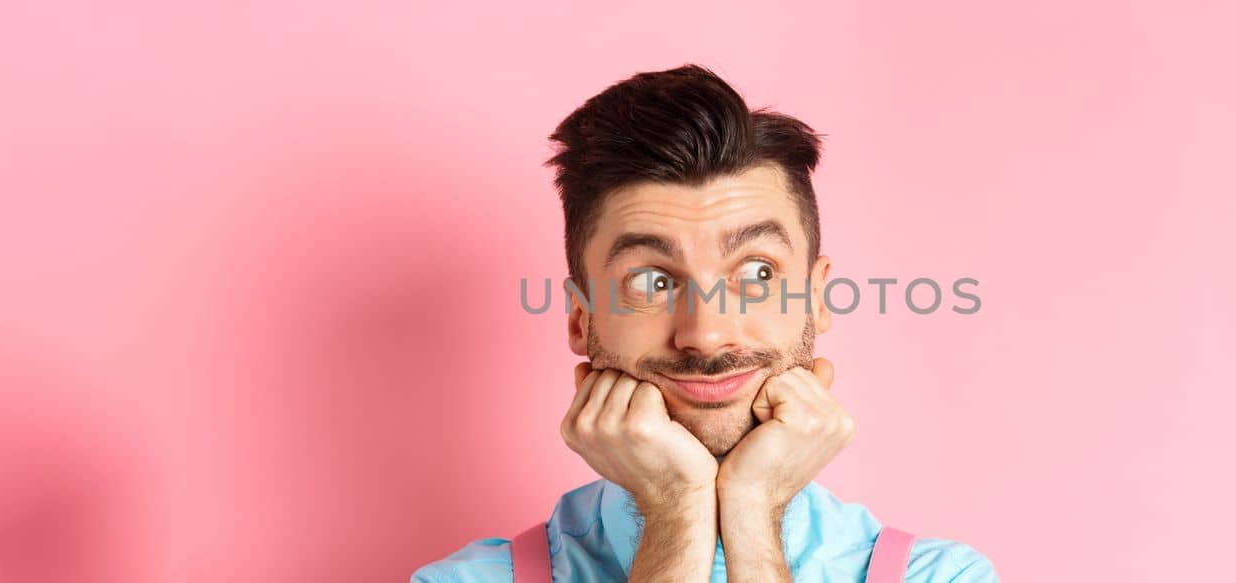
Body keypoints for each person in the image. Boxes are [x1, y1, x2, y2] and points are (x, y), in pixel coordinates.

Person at [412, 64, 997, 582]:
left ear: (817, 299)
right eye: (652, 282)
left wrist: (755, 511)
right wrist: (673, 508)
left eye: (758, 273)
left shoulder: (942, 577)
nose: (707, 334)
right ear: (580, 319)